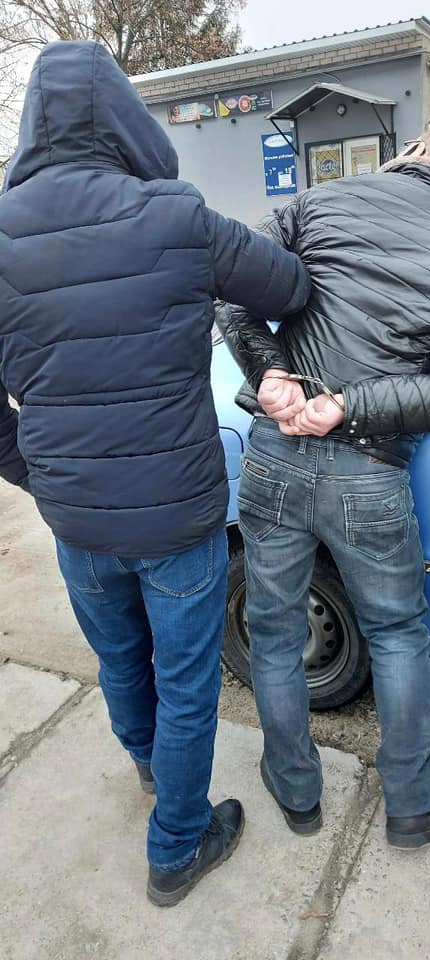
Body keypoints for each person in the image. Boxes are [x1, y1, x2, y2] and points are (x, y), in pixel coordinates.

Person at [0, 40, 310, 906]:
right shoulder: (177, 217)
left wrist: (36, 473)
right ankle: (177, 844)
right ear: (125, 121)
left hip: (75, 519)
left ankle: (148, 767)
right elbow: (288, 287)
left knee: (119, 660)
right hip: (177, 519)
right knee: (185, 683)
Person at [217, 123, 430, 848]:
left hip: (275, 450)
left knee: (273, 630)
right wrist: (351, 407)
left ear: (429, 154)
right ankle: (415, 802)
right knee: (396, 634)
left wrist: (269, 372)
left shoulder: (323, 201)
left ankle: (295, 790)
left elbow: (232, 285)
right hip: (369, 471)